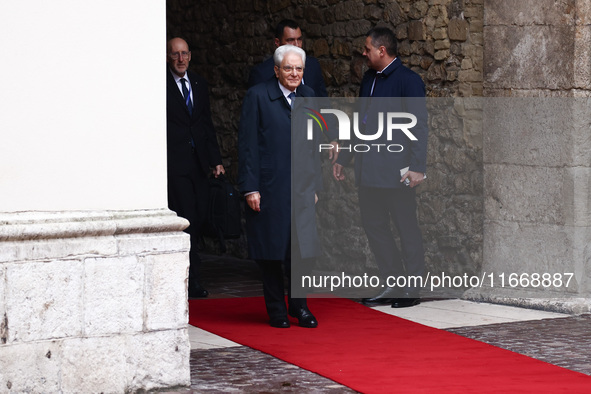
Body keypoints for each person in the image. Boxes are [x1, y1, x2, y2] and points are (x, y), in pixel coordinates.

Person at [333, 27, 428, 308]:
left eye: (367, 49)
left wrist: (417, 167)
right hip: (368, 171)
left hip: (398, 173)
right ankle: (392, 284)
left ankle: (411, 290)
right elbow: (358, 123)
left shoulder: (409, 81)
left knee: (406, 228)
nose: (364, 53)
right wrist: (344, 158)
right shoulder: (368, 79)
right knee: (374, 228)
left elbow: (419, 126)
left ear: (381, 51)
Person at [238, 45, 322, 328]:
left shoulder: (309, 96)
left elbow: (314, 146)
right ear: (276, 71)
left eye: (299, 68)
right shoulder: (258, 96)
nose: (294, 73)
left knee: (302, 251)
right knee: (272, 252)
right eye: (288, 68)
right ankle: (276, 309)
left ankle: (300, 307)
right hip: (269, 188)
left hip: (301, 188)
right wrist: (250, 188)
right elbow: (247, 145)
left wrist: (315, 186)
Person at [166, 37, 225, 298]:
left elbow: (205, 124)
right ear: (168, 57)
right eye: (175, 54)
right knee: (186, 218)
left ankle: (193, 275)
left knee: (199, 218)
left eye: (184, 53)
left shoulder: (199, 83)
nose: (181, 59)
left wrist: (216, 160)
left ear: (190, 55)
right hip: (176, 163)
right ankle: (190, 280)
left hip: (199, 163)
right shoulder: (161, 85)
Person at [248, 19, 328, 98]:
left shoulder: (313, 65)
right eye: (290, 40)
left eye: (299, 39)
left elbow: (323, 102)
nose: (297, 45)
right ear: (277, 42)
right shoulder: (261, 73)